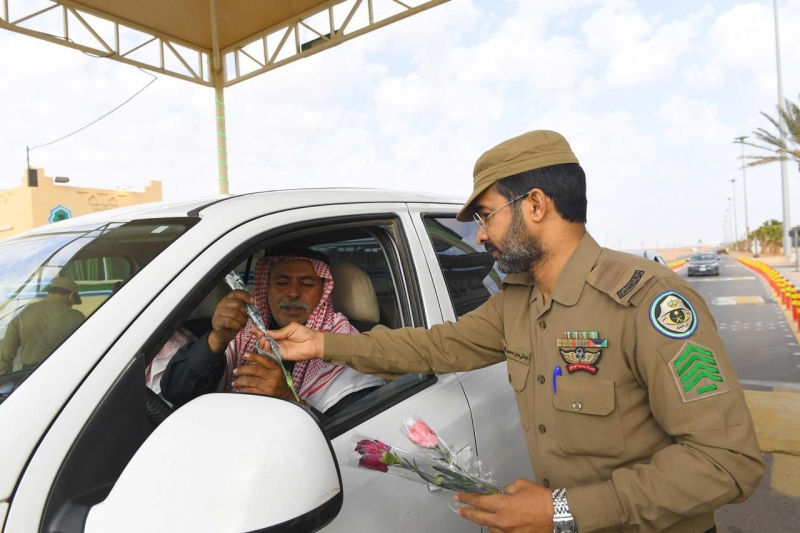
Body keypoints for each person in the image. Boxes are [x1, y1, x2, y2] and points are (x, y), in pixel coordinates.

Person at [262, 131, 764, 533]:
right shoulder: (518, 299)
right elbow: (436, 346)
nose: (480, 234)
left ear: (536, 205)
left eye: (486, 215)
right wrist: (322, 343)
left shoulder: (648, 301)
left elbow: (726, 462)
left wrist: (560, 512)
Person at [160, 247, 384, 416]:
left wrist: (288, 399)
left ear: (323, 291)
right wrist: (216, 339)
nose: (293, 293)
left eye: (306, 284)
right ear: (266, 288)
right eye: (282, 283)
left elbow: (354, 442)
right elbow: (174, 392)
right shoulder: (241, 331)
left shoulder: (347, 346)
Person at [0, 277, 85, 374]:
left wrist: (4, 376)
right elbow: (84, 351)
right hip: (62, 372)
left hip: (28, 373)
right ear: (71, 296)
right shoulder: (77, 317)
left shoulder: (23, 312)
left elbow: (6, 352)